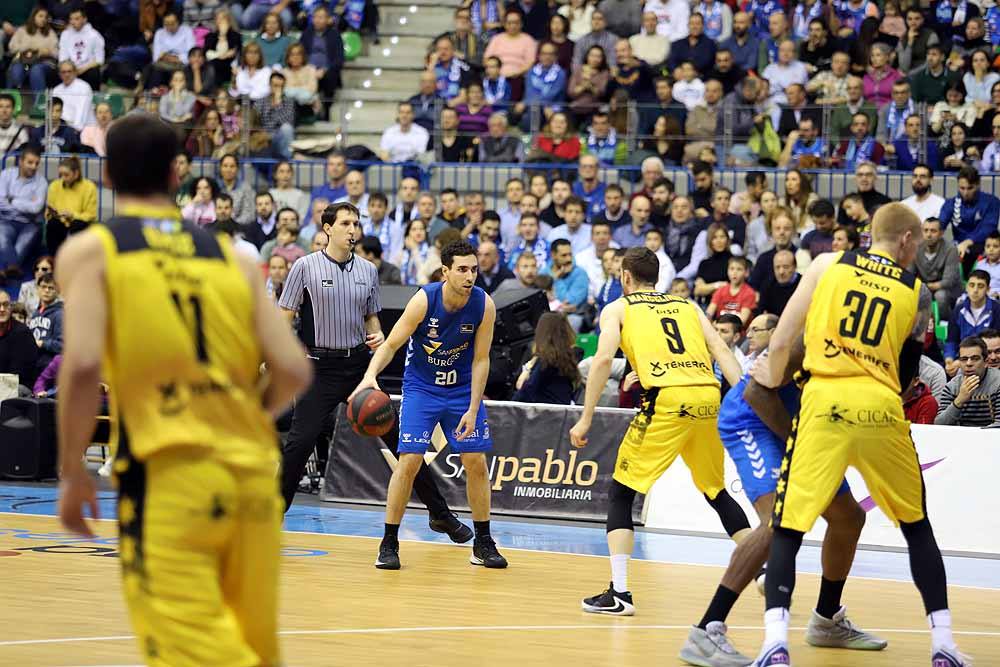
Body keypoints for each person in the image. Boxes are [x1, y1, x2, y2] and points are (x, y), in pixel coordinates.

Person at [54, 113, 313, 667]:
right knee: (255, 650)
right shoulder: (233, 257)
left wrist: (73, 469)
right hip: (250, 480)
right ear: (178, 174)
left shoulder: (92, 251)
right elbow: (292, 368)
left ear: (106, 175)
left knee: (194, 656)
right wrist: (244, 415)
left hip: (171, 477)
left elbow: (79, 369)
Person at [749, 203, 968, 667]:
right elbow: (909, 370)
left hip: (825, 400)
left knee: (788, 527)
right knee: (917, 526)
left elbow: (784, 335)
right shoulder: (918, 292)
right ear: (908, 240)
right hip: (881, 407)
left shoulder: (828, 263)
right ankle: (944, 644)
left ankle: (774, 645)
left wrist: (769, 380)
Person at [680, 321, 882, 667]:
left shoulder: (877, 346)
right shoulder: (812, 340)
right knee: (778, 522)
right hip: (753, 418)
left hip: (800, 422)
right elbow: (756, 394)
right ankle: (706, 630)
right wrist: (797, 443)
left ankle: (827, 619)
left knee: (849, 516)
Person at [569, 247, 751, 616]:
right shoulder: (688, 306)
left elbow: (602, 359)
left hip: (667, 400)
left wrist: (586, 416)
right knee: (715, 491)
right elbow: (720, 349)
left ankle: (620, 594)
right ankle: (760, 566)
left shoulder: (618, 308)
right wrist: (745, 404)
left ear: (624, 277)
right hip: (707, 396)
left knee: (621, 492)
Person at [277, 202, 470, 541]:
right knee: (299, 444)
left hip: (358, 369)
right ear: (327, 229)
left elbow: (372, 319)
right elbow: (284, 317)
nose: (353, 230)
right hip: (318, 369)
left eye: (356, 223)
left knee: (404, 443)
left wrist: (378, 332)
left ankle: (440, 514)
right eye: (346, 223)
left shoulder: (367, 270)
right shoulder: (303, 268)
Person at [350, 240, 507, 570]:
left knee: (475, 460)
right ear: (446, 271)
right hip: (422, 389)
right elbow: (391, 343)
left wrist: (473, 407)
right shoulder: (424, 300)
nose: (469, 276)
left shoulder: (484, 305)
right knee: (408, 461)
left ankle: (482, 541)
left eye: (474, 270)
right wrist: (369, 376)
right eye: (462, 270)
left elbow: (481, 361)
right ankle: (389, 543)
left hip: (462, 389)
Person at [939, 165, 1000, 276]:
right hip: (958, 247)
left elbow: (988, 227)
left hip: (984, 248)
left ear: (978, 185)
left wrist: (967, 243)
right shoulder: (951, 203)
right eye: (962, 188)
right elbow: (940, 225)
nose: (966, 193)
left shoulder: (992, 202)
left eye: (970, 188)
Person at [512, 312, 581, 404]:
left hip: (546, 414)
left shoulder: (547, 360)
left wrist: (507, 407)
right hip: (563, 410)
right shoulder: (571, 355)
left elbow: (526, 388)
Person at [0, 144, 46, 280]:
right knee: (1, 239)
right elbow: (0, 202)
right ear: (21, 161)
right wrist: (26, 204)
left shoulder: (41, 182)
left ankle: (2, 271)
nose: (33, 166)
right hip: (6, 220)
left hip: (31, 224)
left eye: (37, 163)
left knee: (20, 247)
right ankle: (10, 269)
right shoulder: (6, 175)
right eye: (30, 162)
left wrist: (13, 200)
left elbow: (36, 208)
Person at [943, 269, 1000, 375]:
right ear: (966, 287)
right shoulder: (958, 310)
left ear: (988, 289)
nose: (975, 290)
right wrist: (949, 360)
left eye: (980, 286)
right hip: (962, 360)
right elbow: (951, 341)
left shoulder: (997, 310)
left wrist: (962, 362)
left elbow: (995, 343)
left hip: (988, 359)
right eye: (972, 285)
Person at [935, 335, 1000, 426]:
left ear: (985, 362)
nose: (969, 363)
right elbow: (939, 424)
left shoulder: (997, 383)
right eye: (964, 359)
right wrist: (959, 400)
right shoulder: (952, 387)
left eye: (975, 359)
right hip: (960, 438)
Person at [913, 217, 962, 320]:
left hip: (949, 290)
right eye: (925, 230)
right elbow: (909, 274)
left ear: (941, 233)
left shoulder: (950, 249)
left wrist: (923, 287)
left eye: (933, 231)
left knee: (940, 296)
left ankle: (945, 325)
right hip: (926, 288)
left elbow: (948, 282)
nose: (929, 235)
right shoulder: (916, 248)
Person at [0, 289, 39, 386]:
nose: (2, 309)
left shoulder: (22, 333)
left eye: (6, 305)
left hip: (18, 386)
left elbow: (18, 374)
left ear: (10, 307)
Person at [707, 256, 757, 325]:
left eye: (739, 269)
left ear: (746, 273)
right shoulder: (720, 291)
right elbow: (709, 314)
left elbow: (742, 322)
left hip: (738, 333)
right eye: (731, 269)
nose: (734, 272)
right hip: (718, 330)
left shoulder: (749, 293)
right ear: (727, 271)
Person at [973, 232, 1000, 297]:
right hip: (979, 295)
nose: (991, 249)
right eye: (988, 246)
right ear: (984, 248)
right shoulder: (980, 264)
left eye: (995, 246)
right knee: (960, 302)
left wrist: (998, 294)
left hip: (996, 297)